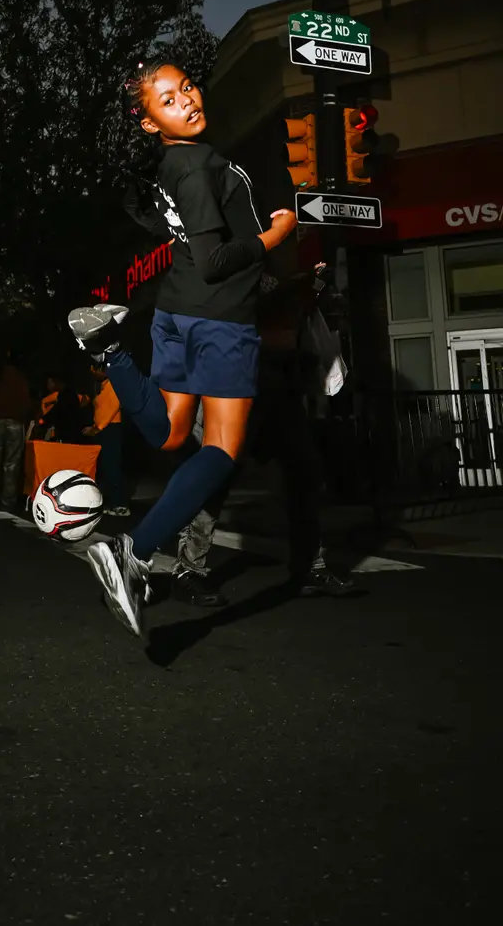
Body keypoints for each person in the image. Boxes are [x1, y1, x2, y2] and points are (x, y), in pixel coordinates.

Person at [68, 60, 297, 636]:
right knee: (221, 451)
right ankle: (133, 553)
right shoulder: (197, 165)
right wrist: (276, 232)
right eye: (168, 100)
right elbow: (220, 261)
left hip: (176, 310)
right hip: (217, 319)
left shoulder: (172, 163)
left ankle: (111, 351)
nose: (187, 101)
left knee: (171, 434)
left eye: (187, 87)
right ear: (150, 123)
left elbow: (183, 236)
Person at [172, 268, 355, 605]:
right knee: (215, 479)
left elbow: (295, 323)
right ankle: (189, 570)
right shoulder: (239, 262)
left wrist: (312, 289)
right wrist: (296, 287)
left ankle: (308, 568)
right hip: (236, 384)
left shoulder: (292, 265)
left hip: (280, 384)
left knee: (305, 473)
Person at [0, 351, 31, 513]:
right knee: (12, 463)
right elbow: (26, 402)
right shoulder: (20, 378)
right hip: (16, 421)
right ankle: (7, 501)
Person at [84, 364, 129, 516]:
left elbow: (109, 408)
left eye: (96, 369)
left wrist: (96, 428)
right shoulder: (103, 385)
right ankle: (110, 502)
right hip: (105, 428)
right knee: (105, 467)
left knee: (112, 466)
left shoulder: (113, 384)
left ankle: (120, 504)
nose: (93, 372)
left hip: (111, 428)